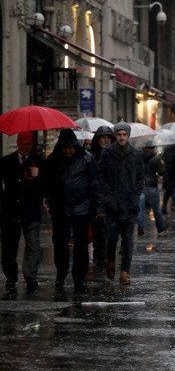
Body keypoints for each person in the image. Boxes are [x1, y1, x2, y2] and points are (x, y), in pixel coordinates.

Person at [46, 129, 99, 293]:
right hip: (60, 209)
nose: (68, 151)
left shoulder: (86, 159)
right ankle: (61, 273)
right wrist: (51, 202)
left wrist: (94, 206)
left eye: (71, 147)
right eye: (65, 147)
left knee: (81, 246)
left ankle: (79, 278)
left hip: (81, 208)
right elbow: (48, 184)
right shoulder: (53, 160)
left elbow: (94, 184)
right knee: (60, 244)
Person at [99, 122, 144, 285]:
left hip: (130, 204)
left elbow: (140, 178)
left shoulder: (135, 153)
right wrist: (108, 197)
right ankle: (110, 261)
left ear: (128, 136)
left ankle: (125, 271)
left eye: (124, 135)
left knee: (128, 240)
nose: (122, 137)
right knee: (111, 237)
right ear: (115, 135)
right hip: (113, 204)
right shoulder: (107, 153)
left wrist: (135, 197)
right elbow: (102, 176)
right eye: (119, 134)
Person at [0, 131, 46, 293]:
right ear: (18, 142)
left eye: (27, 144)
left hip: (31, 210)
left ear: (32, 143)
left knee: (33, 244)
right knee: (9, 247)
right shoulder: (6, 162)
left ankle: (30, 276)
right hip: (10, 211)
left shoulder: (39, 162)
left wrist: (39, 175)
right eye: (22, 143)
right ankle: (11, 277)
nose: (24, 147)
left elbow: (46, 186)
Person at [89, 125, 115, 269]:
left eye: (108, 137)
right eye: (102, 137)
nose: (105, 140)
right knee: (97, 228)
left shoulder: (114, 155)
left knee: (108, 228)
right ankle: (100, 255)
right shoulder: (91, 155)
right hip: (94, 197)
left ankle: (104, 256)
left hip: (110, 196)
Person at [138, 141, 167, 236]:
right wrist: (162, 165)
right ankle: (160, 226)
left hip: (141, 186)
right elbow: (161, 172)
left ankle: (140, 227)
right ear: (153, 148)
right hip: (152, 187)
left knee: (140, 209)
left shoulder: (138, 158)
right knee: (156, 208)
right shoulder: (156, 159)